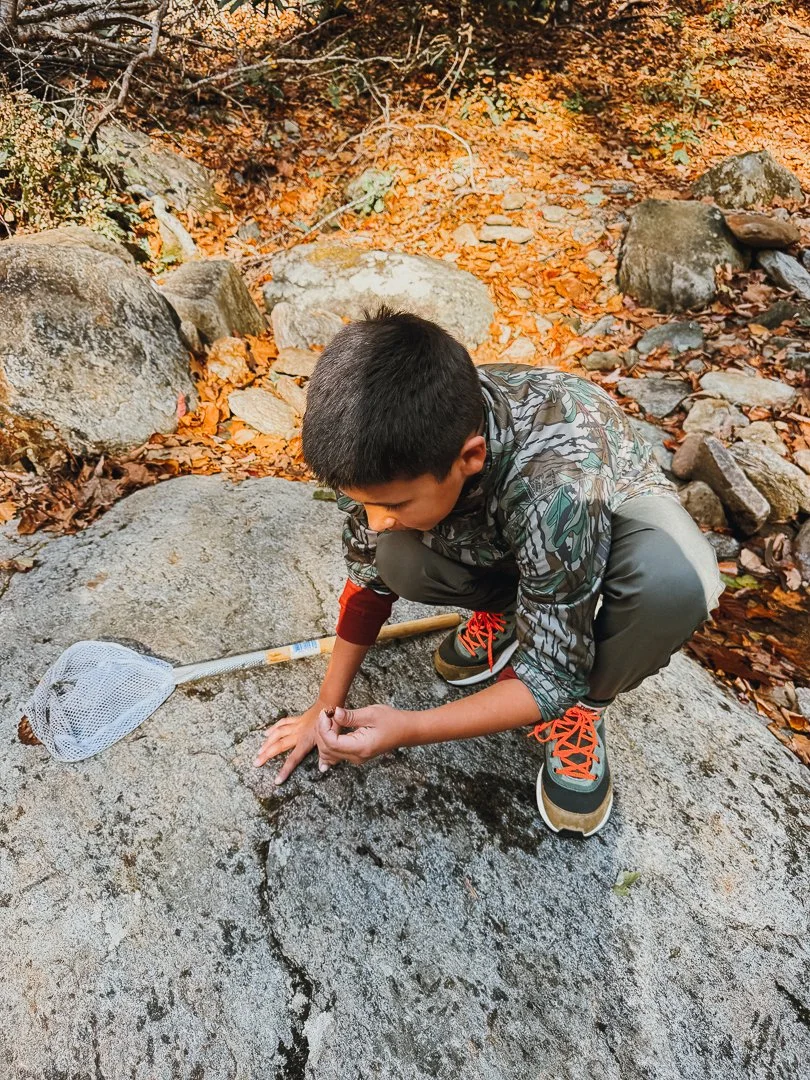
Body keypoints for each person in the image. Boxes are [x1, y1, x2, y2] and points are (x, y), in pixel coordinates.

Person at [254, 307, 722, 836]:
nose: (377, 520)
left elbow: (552, 673)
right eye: (361, 502)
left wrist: (408, 728)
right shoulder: (400, 432)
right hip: (518, 533)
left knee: (674, 585)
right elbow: (368, 578)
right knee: (396, 556)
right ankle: (506, 614)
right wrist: (324, 705)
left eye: (395, 503)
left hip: (607, 511)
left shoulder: (557, 485)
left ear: (470, 456)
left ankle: (584, 709)